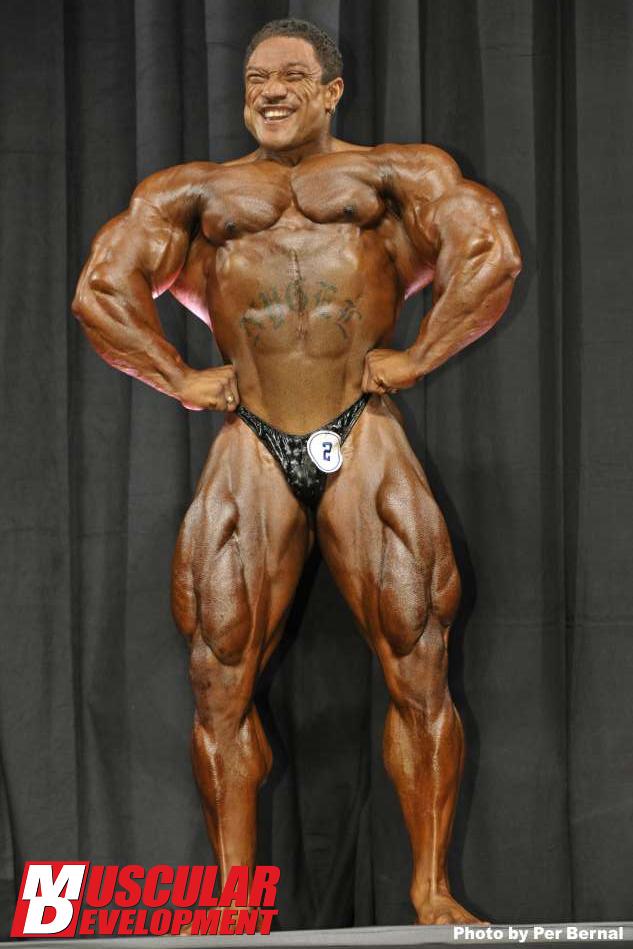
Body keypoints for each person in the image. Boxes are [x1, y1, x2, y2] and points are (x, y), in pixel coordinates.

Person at [72, 18, 521, 926]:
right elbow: (100, 291)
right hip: (252, 437)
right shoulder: (193, 192)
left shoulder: (395, 174)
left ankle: (431, 889)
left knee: (418, 659)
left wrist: (421, 355)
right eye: (254, 78)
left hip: (362, 429)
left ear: (330, 90)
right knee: (219, 674)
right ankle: (233, 903)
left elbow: (488, 252)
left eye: (288, 76)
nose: (269, 91)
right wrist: (177, 375)